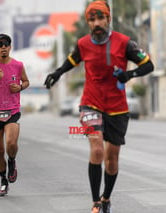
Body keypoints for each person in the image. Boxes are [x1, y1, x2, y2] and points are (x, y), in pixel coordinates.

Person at [44, 1, 154, 212]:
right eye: (91, 20)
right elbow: (72, 60)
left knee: (111, 160)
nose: (96, 23)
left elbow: (148, 65)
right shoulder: (83, 44)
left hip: (118, 107)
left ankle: (105, 199)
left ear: (108, 19)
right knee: (96, 150)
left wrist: (130, 74)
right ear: (88, 22)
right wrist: (57, 73)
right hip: (91, 104)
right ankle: (95, 201)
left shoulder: (125, 43)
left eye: (99, 18)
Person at [0, 33, 30, 196]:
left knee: (11, 143)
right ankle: (3, 180)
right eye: (0, 45)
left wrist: (20, 87)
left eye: (6, 44)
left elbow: (26, 81)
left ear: (10, 47)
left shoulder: (18, 65)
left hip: (12, 111)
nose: (3, 47)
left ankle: (12, 161)